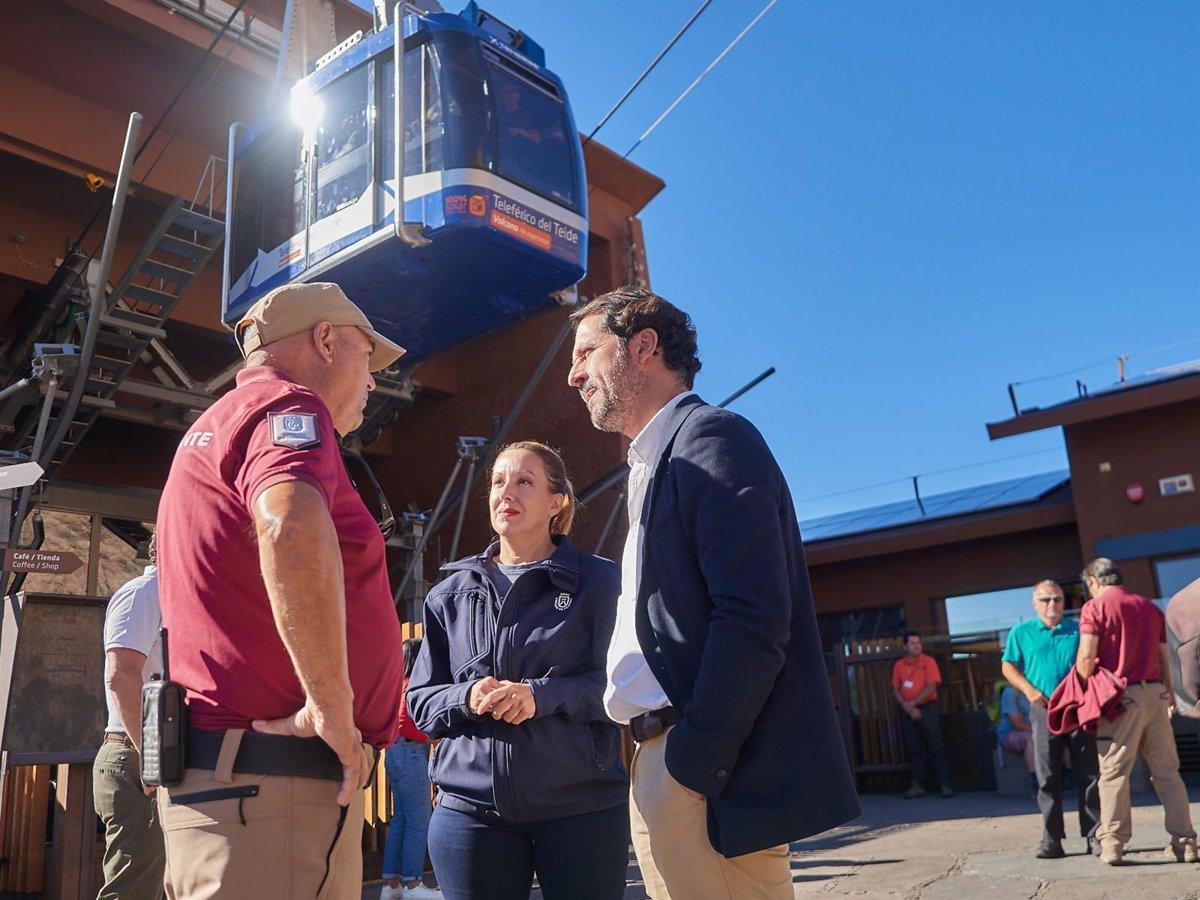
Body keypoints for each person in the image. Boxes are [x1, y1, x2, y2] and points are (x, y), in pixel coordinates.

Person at [567, 287, 859, 899]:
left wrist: (696, 762)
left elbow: (753, 616)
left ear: (643, 346)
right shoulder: (654, 462)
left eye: (587, 352)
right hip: (666, 762)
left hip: (698, 770)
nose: (573, 375)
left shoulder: (711, 440)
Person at [155, 282, 406, 897]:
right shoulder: (288, 409)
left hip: (235, 788)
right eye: (366, 358)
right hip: (274, 795)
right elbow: (289, 525)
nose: (373, 382)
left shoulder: (216, 426)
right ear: (325, 339)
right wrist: (332, 706)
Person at [407, 441, 629, 900]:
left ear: (556, 501)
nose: (506, 491)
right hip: (469, 814)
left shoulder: (600, 582)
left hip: (581, 810)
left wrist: (540, 695)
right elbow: (421, 701)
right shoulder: (447, 594)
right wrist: (464, 697)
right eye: (498, 481)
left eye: (524, 481)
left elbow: (621, 687)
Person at [1074, 558, 1197, 865]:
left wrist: (1079, 689)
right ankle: (1187, 843)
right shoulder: (1149, 607)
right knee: (1167, 772)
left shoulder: (1095, 608)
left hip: (1120, 699)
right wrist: (1169, 696)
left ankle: (1113, 844)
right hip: (1155, 693)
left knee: (1114, 773)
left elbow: (1087, 658)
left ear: (1093, 581)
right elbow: (1164, 656)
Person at [1001, 580, 1099, 859]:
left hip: (1079, 708)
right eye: (1045, 600)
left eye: (1056, 599)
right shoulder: (1021, 632)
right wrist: (1029, 690)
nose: (1051, 604)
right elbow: (1008, 665)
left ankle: (1094, 836)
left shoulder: (1078, 629)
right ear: (1034, 604)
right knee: (1048, 776)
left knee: (1088, 774)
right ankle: (1052, 838)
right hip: (1044, 709)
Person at [93, 535, 164, 900]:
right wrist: (154, 760)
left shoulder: (177, 598)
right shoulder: (143, 593)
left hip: (158, 756)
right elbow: (121, 677)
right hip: (137, 757)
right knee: (134, 889)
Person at [381, 639, 439, 900]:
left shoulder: (395, 684)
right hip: (411, 753)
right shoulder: (413, 684)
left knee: (400, 819)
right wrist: (432, 737)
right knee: (418, 820)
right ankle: (413, 885)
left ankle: (390, 884)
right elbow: (407, 722)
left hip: (394, 753)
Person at [892, 631, 954, 799]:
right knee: (913, 748)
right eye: (912, 643)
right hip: (907, 710)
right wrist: (907, 706)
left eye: (918, 642)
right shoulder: (899, 665)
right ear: (905, 646)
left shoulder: (929, 662)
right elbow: (896, 689)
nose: (917, 645)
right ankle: (918, 785)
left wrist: (912, 703)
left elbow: (931, 687)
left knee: (935, 745)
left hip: (927, 707)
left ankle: (945, 784)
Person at [996, 682, 1035, 775]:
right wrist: (1041, 731)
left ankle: (1068, 776)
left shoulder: (1036, 690)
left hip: (1033, 728)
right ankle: (1035, 779)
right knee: (1030, 738)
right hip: (1009, 733)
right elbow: (1019, 725)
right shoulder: (1009, 693)